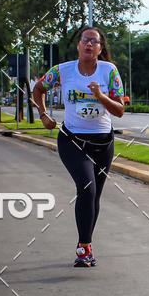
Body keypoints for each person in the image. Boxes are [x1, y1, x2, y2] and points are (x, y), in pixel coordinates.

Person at [32, 26, 124, 268]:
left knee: (95, 197)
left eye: (94, 41)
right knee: (87, 189)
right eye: (85, 40)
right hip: (72, 140)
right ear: (78, 45)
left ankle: (87, 244)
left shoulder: (109, 71)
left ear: (100, 48)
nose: (89, 44)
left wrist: (100, 96)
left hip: (103, 143)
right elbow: (39, 88)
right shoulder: (63, 71)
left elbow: (120, 110)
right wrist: (43, 114)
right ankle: (83, 248)